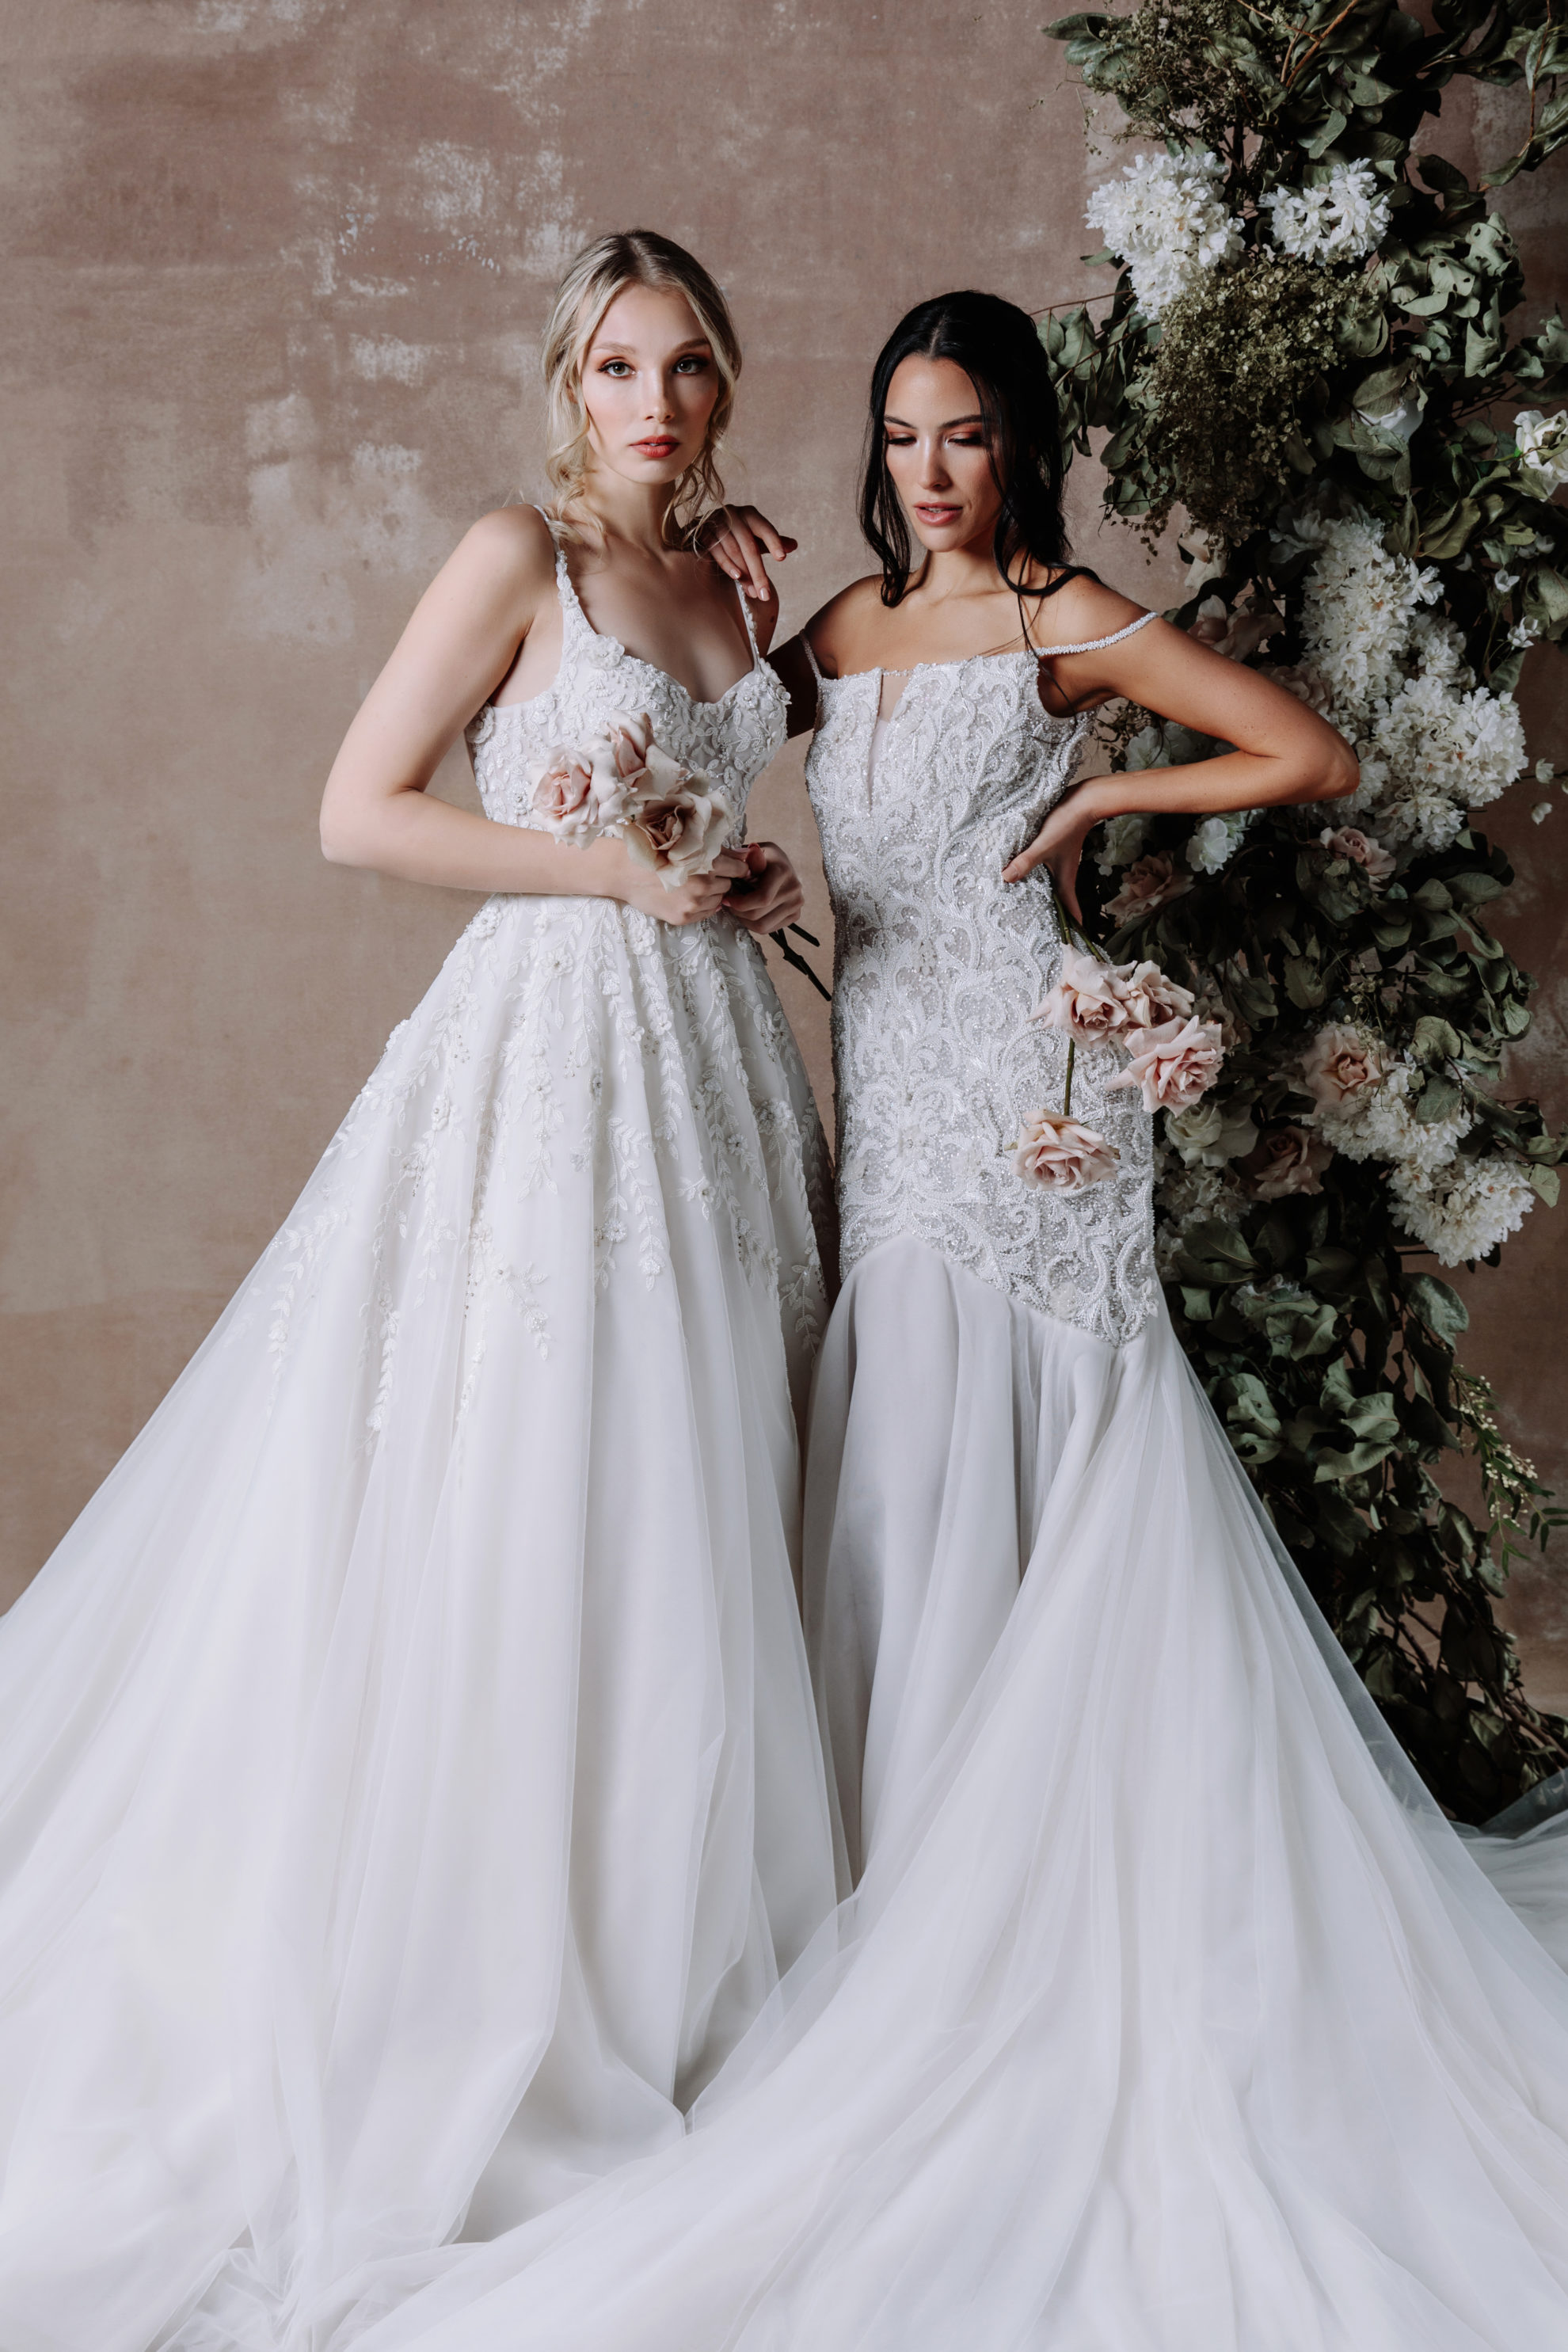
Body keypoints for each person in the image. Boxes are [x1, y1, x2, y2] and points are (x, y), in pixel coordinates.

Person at [351, 292, 1568, 2352]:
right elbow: (701, 727)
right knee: (888, 1478)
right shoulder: (824, 634)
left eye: (965, 437)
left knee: (1054, 1460)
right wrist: (732, 586)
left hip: (1031, 1094)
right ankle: (895, 1917)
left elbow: (1306, 746)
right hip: (878, 1101)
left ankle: (1059, 1914)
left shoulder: (1067, 615)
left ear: (1019, 446)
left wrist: (1104, 810)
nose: (930, 470)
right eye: (903, 436)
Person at [0, 229, 840, 2351]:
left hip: (714, 1065)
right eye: (618, 368)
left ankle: (693, 1954)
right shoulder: (514, 558)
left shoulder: (727, 581)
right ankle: (498, 1976)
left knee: (701, 1486)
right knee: (540, 1480)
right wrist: (615, 875)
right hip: (552, 1059)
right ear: (564, 384)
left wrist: (717, 868)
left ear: (722, 390)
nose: (651, 403)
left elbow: (717, 798)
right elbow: (354, 813)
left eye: (686, 370)